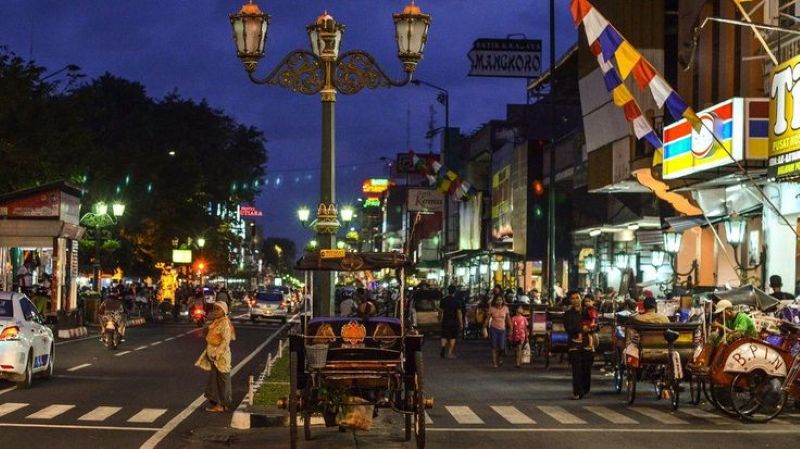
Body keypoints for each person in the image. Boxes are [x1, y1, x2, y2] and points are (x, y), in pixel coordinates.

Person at [196, 301, 236, 412]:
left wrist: (216, 353)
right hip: (215, 357)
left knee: (222, 381)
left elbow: (225, 341)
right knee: (215, 380)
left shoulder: (225, 324)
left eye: (218, 309)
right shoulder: (216, 322)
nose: (216, 311)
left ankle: (222, 404)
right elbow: (206, 333)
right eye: (215, 309)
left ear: (224, 311)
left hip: (221, 358)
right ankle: (217, 403)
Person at [564, 290, 592, 400]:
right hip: (574, 344)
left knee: (587, 368)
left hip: (587, 344)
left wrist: (590, 328)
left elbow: (595, 324)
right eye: (573, 298)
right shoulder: (568, 314)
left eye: (577, 297)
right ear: (570, 301)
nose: (575, 300)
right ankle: (577, 391)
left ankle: (584, 389)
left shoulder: (588, 312)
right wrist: (581, 329)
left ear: (581, 298)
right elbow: (568, 328)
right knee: (576, 369)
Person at [483, 293, 511, 368]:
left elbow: (508, 319)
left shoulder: (505, 308)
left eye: (500, 300)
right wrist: (484, 327)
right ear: (495, 301)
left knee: (501, 347)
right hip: (493, 329)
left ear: (502, 301)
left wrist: (511, 328)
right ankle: (495, 363)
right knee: (494, 346)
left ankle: (500, 357)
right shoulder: (492, 308)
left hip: (502, 330)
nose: (499, 301)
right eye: (497, 300)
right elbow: (488, 319)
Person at [438, 285, 463, 359]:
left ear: (448, 291)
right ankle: (450, 352)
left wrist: (440, 318)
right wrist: (461, 323)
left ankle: (443, 347)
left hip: (446, 320)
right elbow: (459, 312)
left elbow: (440, 311)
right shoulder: (457, 301)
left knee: (444, 335)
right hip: (454, 321)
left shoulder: (443, 300)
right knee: (453, 337)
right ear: (455, 292)